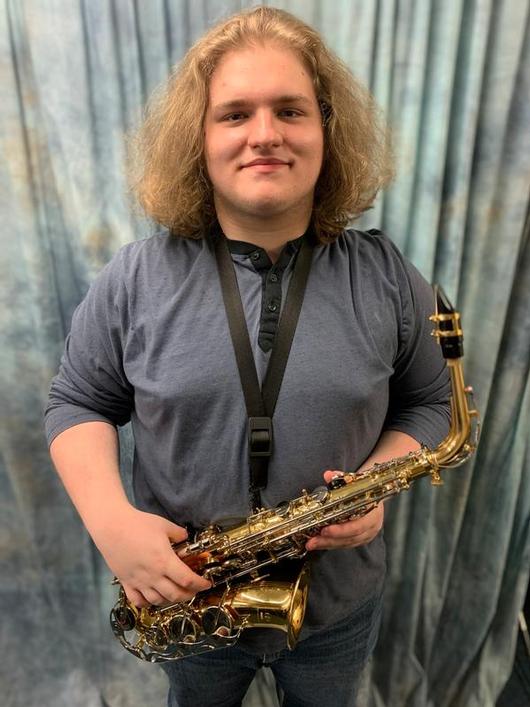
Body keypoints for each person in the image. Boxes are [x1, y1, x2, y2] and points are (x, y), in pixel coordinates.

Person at [45, 6, 450, 706]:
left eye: (290, 110)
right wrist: (111, 522)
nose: (265, 134)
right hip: (186, 595)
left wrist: (378, 483)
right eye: (234, 114)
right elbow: (76, 402)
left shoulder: (385, 274)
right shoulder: (136, 277)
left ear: (326, 129)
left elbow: (431, 400)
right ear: (197, 139)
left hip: (335, 603)